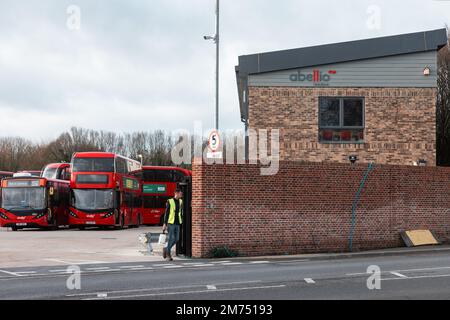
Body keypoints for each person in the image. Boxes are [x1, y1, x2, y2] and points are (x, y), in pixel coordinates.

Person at [162, 188, 183, 261]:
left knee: (176, 238)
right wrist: (165, 223)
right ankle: (168, 254)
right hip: (170, 223)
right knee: (172, 238)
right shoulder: (170, 201)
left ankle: (166, 248)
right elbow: (166, 213)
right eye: (180, 193)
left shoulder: (181, 201)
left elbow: (180, 212)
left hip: (178, 222)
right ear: (176, 193)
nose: (181, 194)